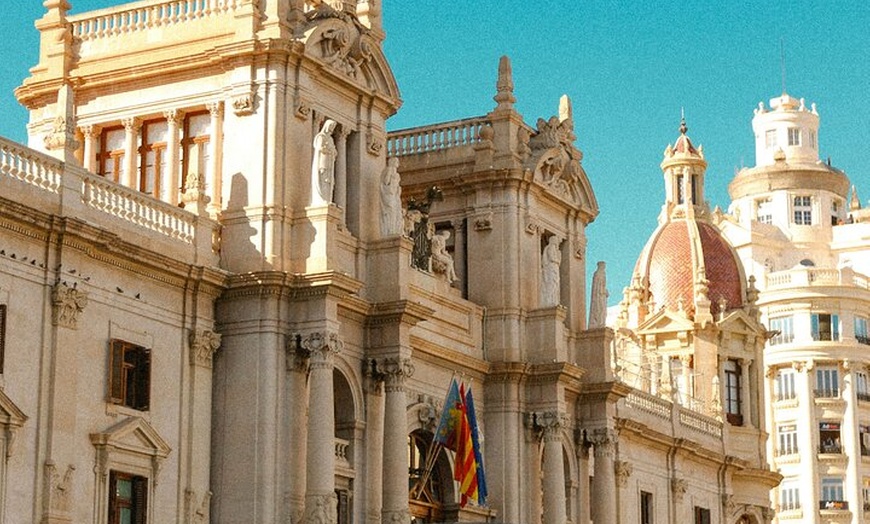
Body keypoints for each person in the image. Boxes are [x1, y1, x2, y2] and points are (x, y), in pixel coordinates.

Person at [311, 119, 337, 205]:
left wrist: (333, 151)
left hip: (329, 162)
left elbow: (334, 151)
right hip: (322, 161)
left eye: (332, 128)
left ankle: (327, 198)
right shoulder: (320, 137)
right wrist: (328, 150)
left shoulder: (330, 139)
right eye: (330, 127)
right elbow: (319, 148)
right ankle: (321, 199)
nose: (331, 130)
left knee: (329, 180)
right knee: (323, 178)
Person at [380, 157, 403, 236]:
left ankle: (392, 230)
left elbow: (397, 187)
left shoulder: (397, 175)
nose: (397, 163)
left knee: (395, 213)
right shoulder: (388, 170)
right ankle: (389, 231)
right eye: (396, 161)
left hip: (394, 195)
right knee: (390, 211)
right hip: (388, 194)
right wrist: (390, 173)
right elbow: (386, 182)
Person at [540, 236, 561, 306]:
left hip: (554, 268)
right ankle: (549, 301)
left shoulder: (556, 250)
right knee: (550, 284)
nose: (557, 243)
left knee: (555, 284)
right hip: (550, 267)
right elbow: (552, 257)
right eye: (556, 240)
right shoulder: (550, 247)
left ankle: (553, 300)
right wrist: (557, 260)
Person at [589, 261, 608, 328]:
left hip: (601, 295)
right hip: (599, 295)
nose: (604, 267)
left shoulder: (603, 273)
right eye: (603, 265)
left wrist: (604, 291)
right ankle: (598, 322)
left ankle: (601, 322)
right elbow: (597, 287)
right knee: (599, 308)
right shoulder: (597, 274)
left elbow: (602, 285)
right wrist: (603, 291)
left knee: (602, 310)